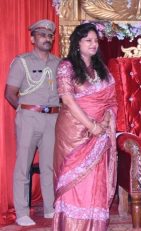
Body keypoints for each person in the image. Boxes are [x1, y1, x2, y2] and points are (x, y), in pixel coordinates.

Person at [52, 23, 117, 230]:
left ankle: (93, 225)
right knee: (74, 180)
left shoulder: (101, 68)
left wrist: (105, 121)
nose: (93, 44)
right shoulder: (66, 66)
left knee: (95, 180)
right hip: (75, 132)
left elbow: (111, 100)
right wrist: (92, 125)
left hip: (99, 132)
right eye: (88, 40)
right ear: (77, 43)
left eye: (96, 40)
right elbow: (68, 100)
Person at [4, 19, 60, 226]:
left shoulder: (58, 63)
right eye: (42, 35)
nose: (47, 38)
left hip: (53, 118)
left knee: (48, 166)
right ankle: (21, 211)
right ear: (32, 38)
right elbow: (9, 93)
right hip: (29, 118)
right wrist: (26, 110)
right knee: (23, 165)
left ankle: (49, 208)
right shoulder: (23, 61)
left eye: (50, 35)